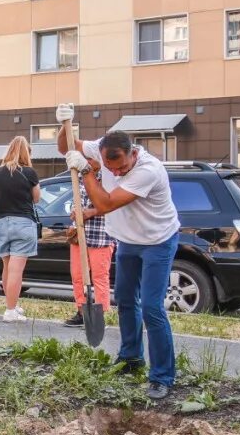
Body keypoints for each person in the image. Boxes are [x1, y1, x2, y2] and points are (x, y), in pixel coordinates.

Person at [58, 105, 180, 400]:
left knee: (151, 307)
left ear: (133, 153)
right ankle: (130, 358)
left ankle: (162, 375)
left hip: (157, 241)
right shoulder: (101, 149)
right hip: (127, 241)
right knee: (125, 300)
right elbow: (66, 146)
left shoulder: (148, 170)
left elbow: (106, 204)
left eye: (121, 167)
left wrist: (87, 171)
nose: (117, 172)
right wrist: (63, 124)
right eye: (111, 169)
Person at [0, 136, 41, 323]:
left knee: (7, 267)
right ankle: (10, 311)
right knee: (16, 271)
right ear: (26, 152)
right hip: (22, 223)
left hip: (0, 223)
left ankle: (11, 304)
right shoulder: (29, 173)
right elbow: (36, 198)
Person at [65, 171, 114, 329]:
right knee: (77, 275)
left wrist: (91, 212)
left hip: (101, 234)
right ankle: (81, 311)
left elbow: (113, 204)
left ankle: (100, 315)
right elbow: (76, 199)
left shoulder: (108, 176)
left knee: (100, 276)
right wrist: (74, 211)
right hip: (79, 233)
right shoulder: (79, 175)